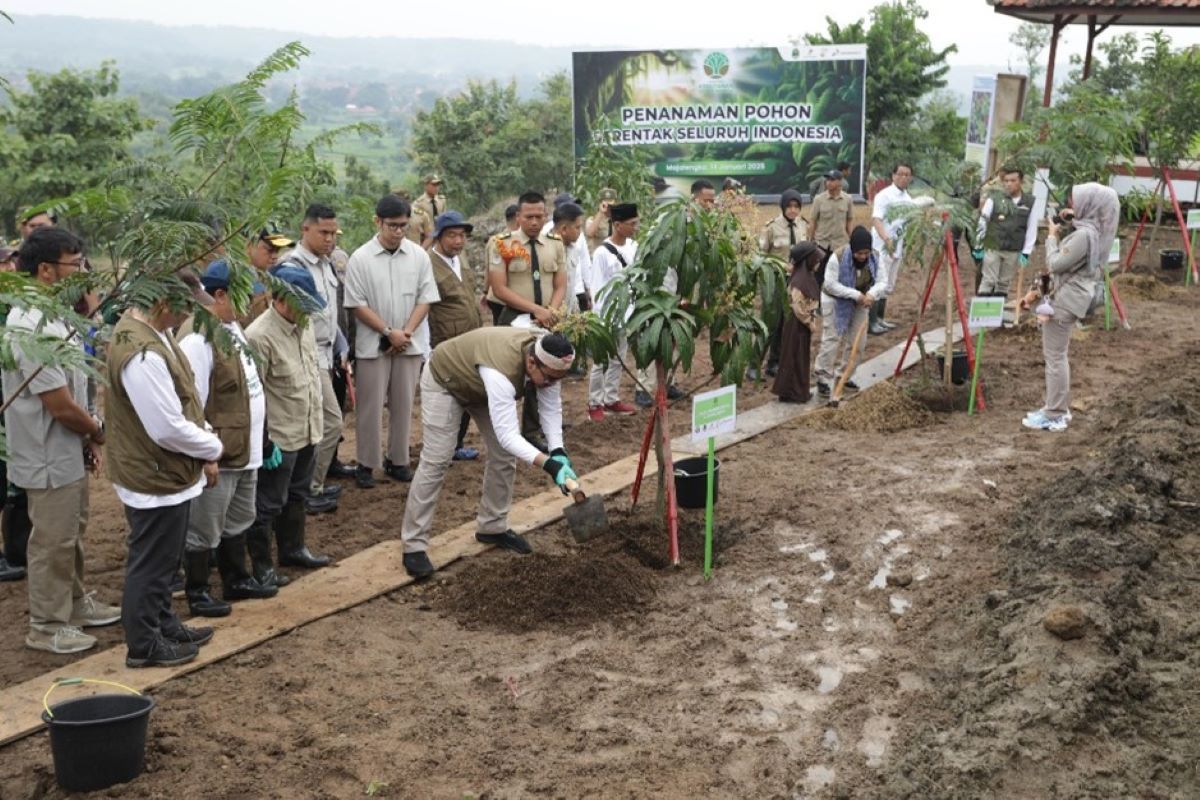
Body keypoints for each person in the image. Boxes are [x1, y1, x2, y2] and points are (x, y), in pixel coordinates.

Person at [3, 228, 118, 653]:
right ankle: (47, 626)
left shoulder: (54, 315)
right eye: (75, 264)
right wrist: (96, 432)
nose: (82, 271)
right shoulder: (29, 324)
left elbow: (76, 388)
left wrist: (86, 438)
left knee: (71, 531)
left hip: (65, 448)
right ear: (47, 270)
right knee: (51, 541)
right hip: (45, 453)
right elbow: (59, 404)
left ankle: (73, 604)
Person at [106, 270, 224, 667]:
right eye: (186, 305)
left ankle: (162, 622)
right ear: (161, 301)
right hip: (153, 472)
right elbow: (166, 427)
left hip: (165, 470)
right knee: (153, 561)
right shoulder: (141, 355)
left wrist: (204, 440)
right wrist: (213, 446)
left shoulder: (158, 335)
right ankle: (143, 644)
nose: (190, 312)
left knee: (165, 557)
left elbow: (184, 399)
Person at [399, 329, 579, 579]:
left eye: (558, 380)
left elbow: (550, 409)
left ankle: (492, 526)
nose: (551, 384)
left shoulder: (548, 361)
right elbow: (508, 436)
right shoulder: (501, 372)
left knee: (504, 456)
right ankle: (414, 545)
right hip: (446, 379)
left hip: (478, 384)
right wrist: (549, 465)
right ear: (530, 362)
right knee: (437, 460)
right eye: (549, 379)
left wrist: (558, 451)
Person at [177, 260, 279, 618]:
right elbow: (193, 404)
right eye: (242, 296)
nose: (252, 302)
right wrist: (207, 454)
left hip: (244, 448)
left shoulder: (232, 328)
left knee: (239, 519)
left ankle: (237, 578)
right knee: (204, 527)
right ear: (219, 295)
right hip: (220, 451)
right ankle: (199, 591)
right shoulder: (198, 338)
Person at [244, 266, 333, 588]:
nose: (307, 311)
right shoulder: (258, 336)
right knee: (268, 503)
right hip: (280, 437)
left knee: (298, 495)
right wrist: (265, 441)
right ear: (279, 299)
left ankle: (293, 549)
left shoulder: (304, 324)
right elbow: (253, 393)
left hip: (308, 426)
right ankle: (262, 565)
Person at [344, 194, 439, 487]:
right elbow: (356, 304)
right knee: (370, 407)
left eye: (403, 225)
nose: (398, 231)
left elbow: (426, 299)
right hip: (374, 343)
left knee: (403, 403)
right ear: (378, 222)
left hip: (409, 342)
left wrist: (405, 332)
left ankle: (398, 460)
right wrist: (388, 332)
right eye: (392, 226)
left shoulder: (419, 256)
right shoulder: (360, 258)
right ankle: (366, 462)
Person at [1019, 184, 1118, 432]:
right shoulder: (1094, 230)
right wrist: (1068, 220)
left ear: (1090, 206)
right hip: (1073, 297)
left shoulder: (1083, 237)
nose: (1072, 205)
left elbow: (1055, 263)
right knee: (1057, 355)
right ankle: (1055, 408)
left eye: (1077, 202)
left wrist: (1052, 237)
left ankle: (1055, 412)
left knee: (1054, 357)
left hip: (1065, 301)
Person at [280, 204, 354, 506]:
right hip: (304, 355)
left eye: (333, 233)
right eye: (323, 232)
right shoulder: (292, 266)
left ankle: (310, 488)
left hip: (327, 352)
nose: (330, 239)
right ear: (305, 229)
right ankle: (308, 489)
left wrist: (341, 345)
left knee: (323, 424)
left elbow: (327, 313)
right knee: (328, 423)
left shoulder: (327, 264)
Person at [486, 191, 568, 450]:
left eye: (539, 216)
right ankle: (500, 431)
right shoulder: (501, 243)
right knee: (506, 373)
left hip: (545, 320)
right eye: (528, 216)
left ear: (546, 216)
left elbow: (560, 283)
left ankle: (533, 431)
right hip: (512, 318)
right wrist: (536, 310)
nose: (534, 221)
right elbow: (499, 288)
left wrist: (551, 311)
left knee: (542, 373)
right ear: (518, 216)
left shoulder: (555, 243)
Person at [428, 209, 484, 462]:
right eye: (452, 236)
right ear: (439, 237)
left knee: (467, 393)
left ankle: (457, 444)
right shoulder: (428, 263)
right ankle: (442, 449)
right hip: (445, 341)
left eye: (462, 236)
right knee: (447, 399)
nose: (458, 241)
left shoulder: (461, 261)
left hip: (470, 338)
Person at [814, 226, 887, 398]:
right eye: (859, 253)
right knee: (832, 339)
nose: (862, 257)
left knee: (858, 343)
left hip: (862, 300)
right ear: (852, 249)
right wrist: (855, 295)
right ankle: (823, 378)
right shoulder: (837, 258)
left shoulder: (875, 257)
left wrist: (871, 294)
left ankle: (845, 376)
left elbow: (883, 281)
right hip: (834, 299)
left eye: (865, 253)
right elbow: (830, 284)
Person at [587, 203, 641, 422]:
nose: (635, 227)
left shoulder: (633, 247)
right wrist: (602, 320)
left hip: (628, 313)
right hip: (608, 315)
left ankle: (611, 398)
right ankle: (594, 403)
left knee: (619, 358)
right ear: (617, 225)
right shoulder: (602, 253)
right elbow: (597, 288)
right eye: (631, 224)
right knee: (602, 360)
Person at [755, 188, 808, 379]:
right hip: (774, 281)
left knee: (786, 324)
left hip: (794, 283)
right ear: (783, 206)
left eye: (797, 206)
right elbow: (760, 257)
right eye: (789, 206)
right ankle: (754, 366)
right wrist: (780, 265)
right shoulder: (771, 227)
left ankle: (774, 363)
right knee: (769, 324)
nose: (793, 210)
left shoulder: (803, 225)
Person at [974, 166, 1038, 299]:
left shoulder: (1029, 202)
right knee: (988, 281)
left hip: (1013, 249)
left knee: (1004, 283)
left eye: (1013, 180)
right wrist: (979, 246)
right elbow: (983, 222)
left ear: (1020, 181)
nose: (1009, 184)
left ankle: (997, 315)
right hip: (993, 247)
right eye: (1006, 181)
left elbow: (1031, 227)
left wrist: (1026, 252)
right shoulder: (994, 199)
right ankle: (982, 316)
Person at [772, 242, 823, 404]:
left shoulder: (805, 277)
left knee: (798, 356)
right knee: (794, 356)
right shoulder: (800, 281)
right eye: (815, 261)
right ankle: (793, 393)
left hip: (800, 325)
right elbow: (798, 306)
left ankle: (795, 391)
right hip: (796, 324)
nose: (818, 264)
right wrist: (810, 322)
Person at [870, 162, 914, 335]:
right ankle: (871, 322)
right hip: (882, 246)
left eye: (907, 175)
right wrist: (886, 239)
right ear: (893, 175)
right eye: (900, 174)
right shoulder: (884, 196)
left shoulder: (907, 198)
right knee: (878, 282)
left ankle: (880, 318)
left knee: (888, 284)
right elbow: (876, 219)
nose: (903, 178)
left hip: (898, 246)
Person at [809, 169, 854, 270]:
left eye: (832, 180)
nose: (828, 182)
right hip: (821, 244)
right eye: (827, 179)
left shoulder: (848, 199)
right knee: (818, 275)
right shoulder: (818, 199)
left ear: (840, 182)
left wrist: (852, 238)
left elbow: (849, 221)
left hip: (840, 245)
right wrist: (810, 240)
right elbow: (813, 221)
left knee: (837, 274)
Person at [412, 174, 446, 248]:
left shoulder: (441, 200)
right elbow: (417, 224)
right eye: (434, 185)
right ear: (426, 185)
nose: (436, 187)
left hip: (440, 238)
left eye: (438, 185)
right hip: (427, 240)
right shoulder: (419, 203)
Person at [585, 188, 618, 254]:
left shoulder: (618, 219)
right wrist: (601, 212)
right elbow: (590, 233)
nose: (608, 208)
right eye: (606, 205)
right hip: (598, 258)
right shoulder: (593, 219)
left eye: (611, 205)